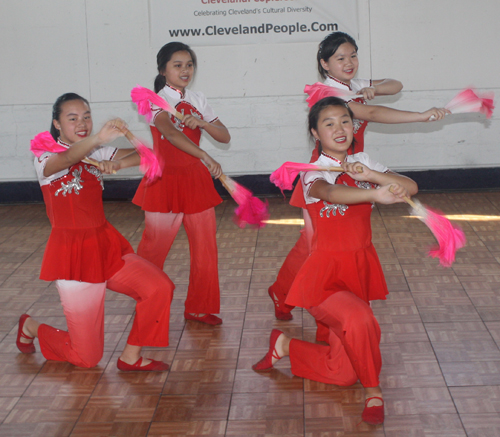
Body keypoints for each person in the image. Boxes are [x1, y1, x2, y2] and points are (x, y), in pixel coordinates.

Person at [253, 96, 419, 425]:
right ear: (315, 133)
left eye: (345, 120)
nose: (339, 128)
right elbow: (330, 194)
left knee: (343, 373)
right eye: (328, 123)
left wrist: (371, 173)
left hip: (358, 270)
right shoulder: (312, 172)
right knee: (360, 321)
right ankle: (374, 393)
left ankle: (285, 346)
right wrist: (373, 192)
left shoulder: (364, 161)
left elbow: (411, 186)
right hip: (323, 279)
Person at [268, 31, 449, 326]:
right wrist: (420, 115)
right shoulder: (329, 93)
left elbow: (396, 84)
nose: (349, 62)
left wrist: (372, 87)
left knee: (327, 241)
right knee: (311, 243)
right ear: (325, 64)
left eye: (353, 55)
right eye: (340, 58)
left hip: (355, 166)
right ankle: (285, 293)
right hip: (328, 171)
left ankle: (316, 294)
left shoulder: (352, 84)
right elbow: (373, 113)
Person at [16, 93, 174, 371]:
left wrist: (118, 162)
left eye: (87, 116)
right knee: (86, 358)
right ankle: (30, 326)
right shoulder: (44, 158)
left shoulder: (95, 152)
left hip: (105, 246)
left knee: (159, 288)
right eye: (73, 118)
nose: (82, 123)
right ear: (57, 123)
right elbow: (67, 157)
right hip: (73, 257)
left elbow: (145, 155)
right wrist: (99, 139)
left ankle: (131, 357)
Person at [132, 42, 231, 326]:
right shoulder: (155, 99)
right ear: (163, 71)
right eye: (177, 65)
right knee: (154, 248)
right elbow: (170, 134)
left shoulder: (198, 98)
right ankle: (145, 298)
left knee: (205, 249)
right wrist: (204, 154)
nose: (185, 70)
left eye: (189, 64)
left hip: (196, 180)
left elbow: (224, 136)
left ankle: (200, 307)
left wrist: (203, 124)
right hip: (165, 179)